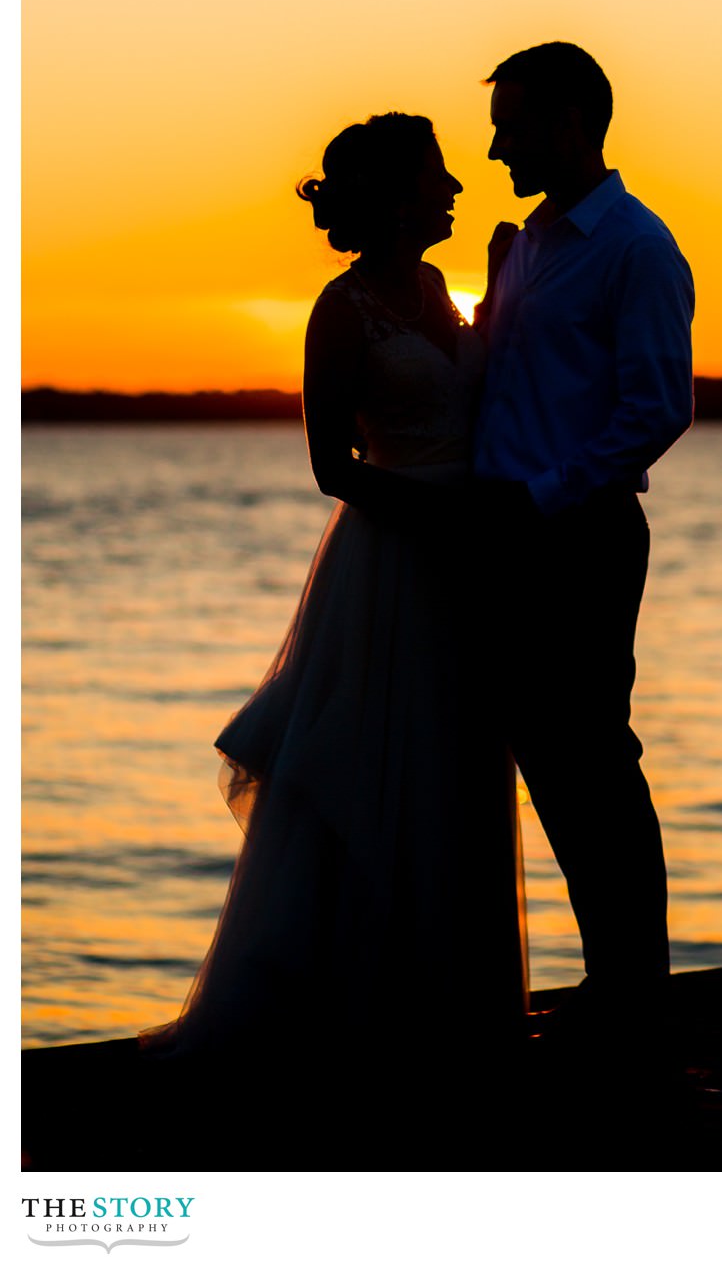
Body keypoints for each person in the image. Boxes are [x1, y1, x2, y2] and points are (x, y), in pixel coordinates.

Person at [138, 113, 528, 1124]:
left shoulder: (446, 290)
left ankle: (451, 1013)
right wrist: (444, 504)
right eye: (439, 176)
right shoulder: (341, 308)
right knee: (372, 767)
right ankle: (346, 1014)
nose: (454, 189)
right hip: (391, 562)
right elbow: (328, 468)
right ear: (401, 194)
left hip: (468, 570)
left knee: (455, 770)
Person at [473, 42, 695, 1043]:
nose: (494, 146)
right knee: (544, 760)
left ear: (572, 122)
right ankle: (610, 982)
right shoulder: (526, 244)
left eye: (512, 124)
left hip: (583, 532)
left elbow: (658, 407)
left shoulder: (636, 249)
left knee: (597, 757)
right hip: (505, 539)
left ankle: (633, 989)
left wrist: (546, 496)